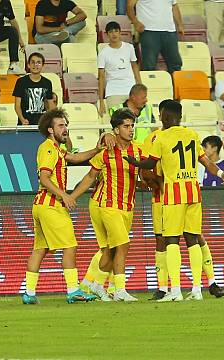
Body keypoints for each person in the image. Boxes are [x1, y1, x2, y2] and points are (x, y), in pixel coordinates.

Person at [125, 100, 224, 302]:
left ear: (164, 115)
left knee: (171, 240)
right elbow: (206, 161)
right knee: (193, 239)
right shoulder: (192, 135)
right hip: (193, 192)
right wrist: (220, 173)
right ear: (180, 116)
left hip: (173, 194)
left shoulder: (161, 137)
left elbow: (150, 163)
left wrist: (134, 162)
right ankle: (197, 289)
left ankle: (175, 291)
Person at [22, 108, 109, 305]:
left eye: (66, 125)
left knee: (40, 250)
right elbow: (44, 178)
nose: (65, 129)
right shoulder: (49, 148)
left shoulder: (57, 149)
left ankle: (29, 293)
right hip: (51, 205)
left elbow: (75, 158)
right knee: (69, 246)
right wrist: (65, 196)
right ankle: (73, 290)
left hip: (41, 205)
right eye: (61, 125)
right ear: (50, 130)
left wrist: (96, 149)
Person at [70, 108, 144, 302]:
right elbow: (90, 177)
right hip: (107, 205)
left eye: (132, 126)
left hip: (128, 206)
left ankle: (95, 284)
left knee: (110, 250)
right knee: (123, 245)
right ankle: (119, 289)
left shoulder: (139, 150)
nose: (130, 130)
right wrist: (73, 196)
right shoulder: (105, 152)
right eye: (126, 126)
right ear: (116, 129)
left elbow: (147, 172)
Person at [97, 21, 141, 117]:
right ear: (107, 34)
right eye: (111, 32)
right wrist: (101, 102)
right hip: (113, 91)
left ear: (120, 32)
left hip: (130, 89)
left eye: (116, 31)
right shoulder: (103, 53)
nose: (114, 34)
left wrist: (140, 87)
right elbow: (101, 77)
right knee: (117, 121)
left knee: (134, 121)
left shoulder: (129, 47)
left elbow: (134, 66)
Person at [127, 0, 184, 73]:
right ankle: (150, 84)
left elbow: (174, 6)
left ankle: (175, 84)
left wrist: (180, 24)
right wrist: (135, 22)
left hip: (170, 31)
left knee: (175, 64)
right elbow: (129, 6)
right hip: (148, 31)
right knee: (148, 66)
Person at [13, 52, 56, 125]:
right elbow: (17, 105)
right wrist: (22, 119)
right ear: (28, 65)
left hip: (42, 125)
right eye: (33, 62)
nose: (35, 65)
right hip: (25, 124)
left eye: (38, 62)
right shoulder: (21, 81)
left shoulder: (47, 83)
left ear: (43, 65)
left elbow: (50, 105)